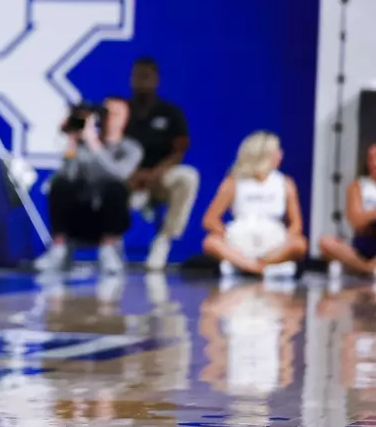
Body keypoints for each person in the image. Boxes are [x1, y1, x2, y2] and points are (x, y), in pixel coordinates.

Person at [35, 97, 140, 277]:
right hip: (81, 213)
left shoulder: (131, 148)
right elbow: (68, 175)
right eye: (106, 113)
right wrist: (72, 143)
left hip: (109, 215)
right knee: (59, 184)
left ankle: (109, 250)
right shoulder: (82, 146)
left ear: (126, 118)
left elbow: (119, 174)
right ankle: (59, 248)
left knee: (117, 188)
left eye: (116, 114)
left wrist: (94, 144)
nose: (110, 118)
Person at [124, 56, 201, 270]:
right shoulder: (122, 111)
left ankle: (165, 239)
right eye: (136, 76)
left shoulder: (171, 113)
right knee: (105, 178)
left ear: (156, 80)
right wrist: (133, 175)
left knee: (187, 177)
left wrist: (155, 174)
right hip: (127, 177)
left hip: (160, 176)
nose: (139, 81)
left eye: (145, 76)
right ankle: (110, 244)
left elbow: (179, 151)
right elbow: (111, 149)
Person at [201, 130, 306, 279]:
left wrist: (286, 239)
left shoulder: (285, 183)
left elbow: (296, 223)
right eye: (277, 151)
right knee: (210, 243)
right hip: (239, 240)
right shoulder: (233, 182)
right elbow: (210, 220)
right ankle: (260, 268)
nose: (281, 155)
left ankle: (244, 267)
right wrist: (226, 235)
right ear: (264, 155)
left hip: (273, 242)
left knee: (299, 244)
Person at [320, 143, 376, 276]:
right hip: (364, 242)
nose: (374, 163)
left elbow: (363, 216)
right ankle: (367, 268)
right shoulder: (357, 186)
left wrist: (368, 214)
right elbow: (356, 220)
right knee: (326, 242)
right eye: (371, 158)